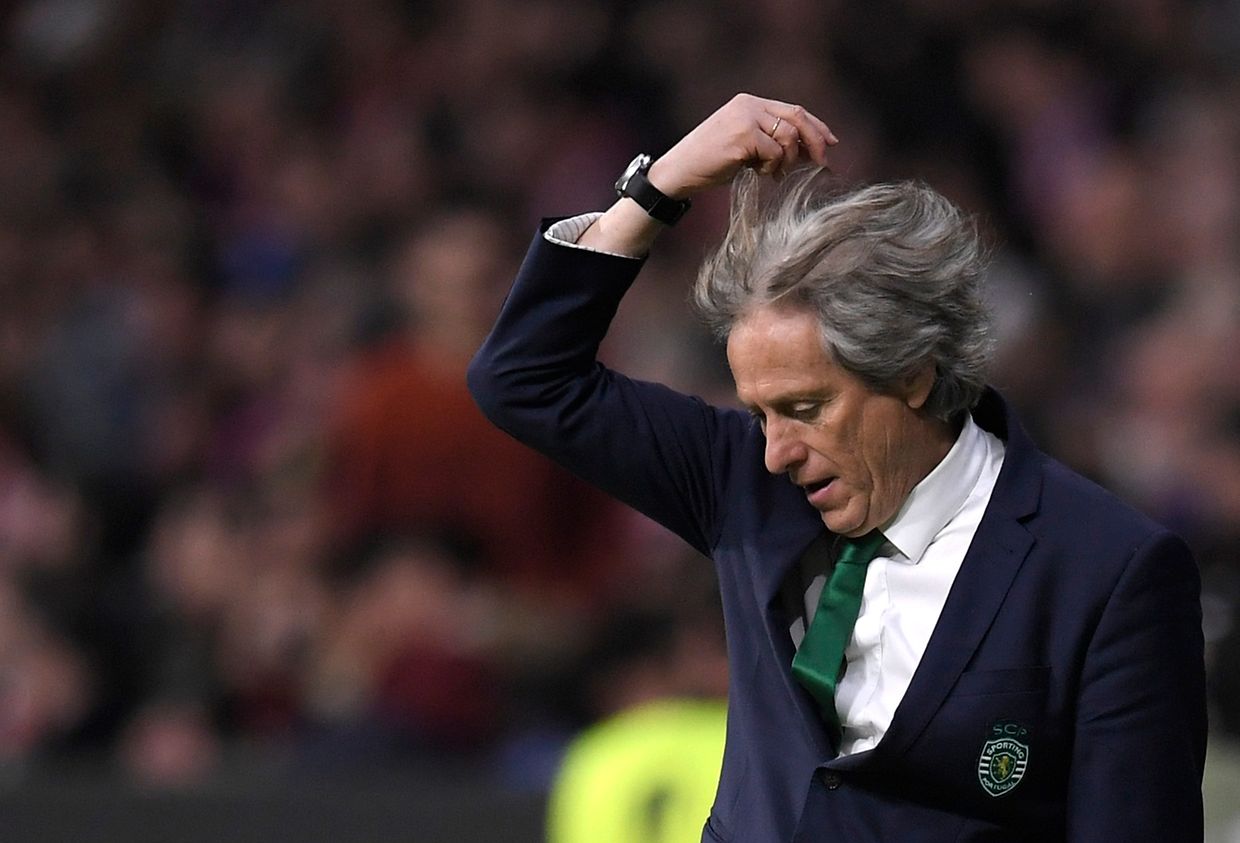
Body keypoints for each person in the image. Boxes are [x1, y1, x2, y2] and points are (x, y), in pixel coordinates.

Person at [467, 94, 1207, 841]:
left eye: (806, 407)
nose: (775, 450)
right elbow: (525, 377)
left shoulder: (1107, 569)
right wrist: (663, 184)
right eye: (759, 413)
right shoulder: (744, 482)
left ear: (913, 373)